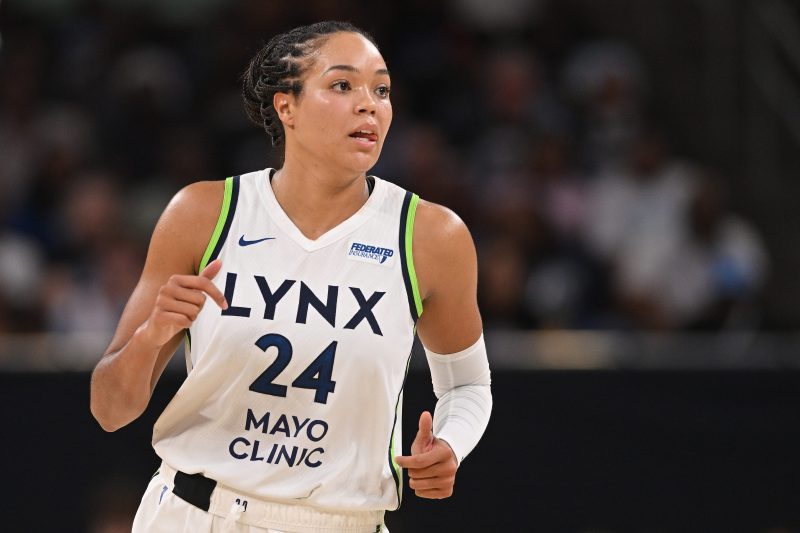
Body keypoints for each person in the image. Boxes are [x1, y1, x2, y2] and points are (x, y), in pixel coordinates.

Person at [89, 21, 492, 533]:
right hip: (195, 513)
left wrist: (451, 443)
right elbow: (109, 410)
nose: (369, 105)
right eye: (342, 85)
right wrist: (151, 336)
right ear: (287, 107)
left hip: (343, 520)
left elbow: (468, 384)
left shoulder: (430, 236)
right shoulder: (204, 212)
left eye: (382, 90)